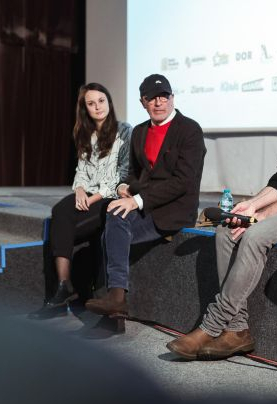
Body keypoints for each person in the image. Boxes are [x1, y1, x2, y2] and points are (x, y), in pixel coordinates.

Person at [166, 53, 277, 362]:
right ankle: (238, 330)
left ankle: (212, 324)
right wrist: (248, 206)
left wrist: (265, 214)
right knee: (229, 229)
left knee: (254, 234)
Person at [84, 74, 206, 324]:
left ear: (172, 98)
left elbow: (183, 182)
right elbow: (133, 173)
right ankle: (116, 299)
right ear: (142, 102)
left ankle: (114, 304)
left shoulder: (189, 129)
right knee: (113, 212)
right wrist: (123, 187)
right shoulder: (139, 132)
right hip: (145, 203)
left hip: (173, 210)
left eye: (164, 97)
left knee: (115, 228)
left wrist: (137, 201)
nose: (159, 103)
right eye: (152, 98)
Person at [30, 83, 132, 317]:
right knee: (60, 210)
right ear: (85, 108)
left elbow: (122, 175)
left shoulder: (124, 130)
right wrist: (79, 190)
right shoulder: (84, 133)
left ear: (109, 102)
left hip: (110, 196)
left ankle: (68, 293)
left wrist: (93, 196)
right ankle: (63, 285)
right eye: (91, 103)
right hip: (89, 193)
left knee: (63, 227)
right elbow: (82, 171)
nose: (97, 107)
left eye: (101, 100)